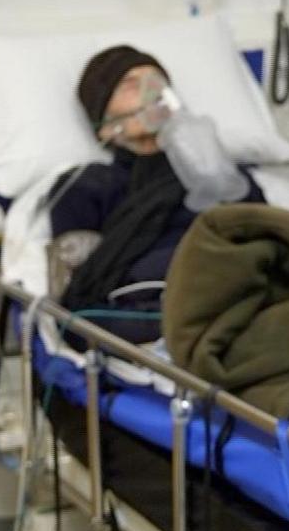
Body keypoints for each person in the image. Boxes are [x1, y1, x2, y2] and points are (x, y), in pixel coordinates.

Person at [48, 45, 265, 342]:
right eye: (131, 84)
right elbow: (77, 304)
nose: (153, 90)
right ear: (105, 127)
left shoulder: (218, 167)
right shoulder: (86, 185)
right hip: (166, 310)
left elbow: (267, 233)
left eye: (158, 81)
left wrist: (220, 171)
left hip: (247, 292)